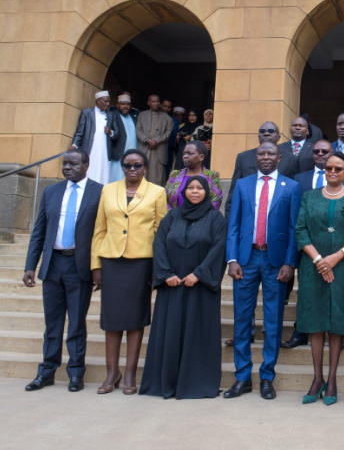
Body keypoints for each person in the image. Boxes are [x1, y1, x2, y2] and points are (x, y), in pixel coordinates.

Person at [223, 142, 301, 399]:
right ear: (255, 157)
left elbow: (293, 228)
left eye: (270, 154)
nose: (266, 157)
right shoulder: (244, 184)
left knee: (273, 320)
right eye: (261, 153)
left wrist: (290, 262)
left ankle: (267, 376)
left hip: (275, 261)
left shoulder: (291, 186)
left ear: (279, 158)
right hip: (245, 260)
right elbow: (233, 225)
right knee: (242, 319)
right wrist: (232, 258)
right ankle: (242, 376)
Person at [22, 150, 103, 393]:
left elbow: (103, 233)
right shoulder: (51, 191)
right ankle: (46, 372)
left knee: (77, 323)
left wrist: (99, 267)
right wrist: (30, 266)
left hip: (80, 266)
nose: (67, 167)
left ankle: (76, 374)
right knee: (52, 323)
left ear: (86, 165)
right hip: (53, 264)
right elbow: (39, 231)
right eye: (64, 163)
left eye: (73, 163)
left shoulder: (99, 192)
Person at [140, 176, 227, 399]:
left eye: (199, 188)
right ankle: (164, 382)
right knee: (170, 333)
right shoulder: (172, 216)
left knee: (197, 334)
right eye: (190, 188)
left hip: (201, 289)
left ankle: (195, 384)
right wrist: (166, 273)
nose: (195, 192)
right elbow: (159, 243)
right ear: (183, 191)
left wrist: (198, 274)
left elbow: (219, 248)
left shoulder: (216, 219)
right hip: (172, 287)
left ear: (207, 192)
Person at [91, 149, 167, 395]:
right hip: (112, 260)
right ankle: (112, 372)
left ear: (145, 167)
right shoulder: (108, 190)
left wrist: (158, 268)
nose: (131, 169)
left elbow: (160, 232)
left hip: (141, 262)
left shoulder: (157, 192)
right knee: (111, 319)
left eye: (137, 165)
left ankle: (131, 372)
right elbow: (99, 229)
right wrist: (96, 265)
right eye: (127, 165)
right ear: (122, 167)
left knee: (135, 319)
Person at [296, 152, 344, 405]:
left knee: (337, 321)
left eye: (338, 168)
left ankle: (333, 378)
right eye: (329, 168)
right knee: (315, 321)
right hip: (312, 268)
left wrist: (336, 258)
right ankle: (317, 379)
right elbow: (301, 230)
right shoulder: (309, 196)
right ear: (324, 171)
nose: (333, 171)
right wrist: (319, 261)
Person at [282, 140, 335, 349]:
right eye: (317, 151)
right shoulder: (299, 179)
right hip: (306, 246)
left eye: (325, 151)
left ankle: (333, 332)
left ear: (332, 153)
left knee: (333, 291)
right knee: (306, 292)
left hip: (334, 246)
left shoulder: (340, 177)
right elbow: (294, 213)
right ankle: (301, 332)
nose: (321, 154)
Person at [225, 121, 298, 220]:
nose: (266, 133)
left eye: (271, 131)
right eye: (262, 131)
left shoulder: (291, 159)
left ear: (278, 137)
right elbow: (232, 196)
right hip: (247, 221)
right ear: (258, 136)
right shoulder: (243, 157)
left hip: (279, 221)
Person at [72, 90, 118, 185]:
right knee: (89, 169)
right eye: (105, 101)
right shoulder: (87, 113)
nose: (108, 104)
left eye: (108, 101)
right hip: (90, 148)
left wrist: (111, 132)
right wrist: (74, 144)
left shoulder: (111, 115)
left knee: (103, 173)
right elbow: (79, 132)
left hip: (104, 151)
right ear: (98, 101)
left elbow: (118, 134)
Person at [165, 141, 223, 211]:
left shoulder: (212, 176)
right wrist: (174, 217)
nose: (185, 156)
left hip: (203, 220)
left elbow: (215, 203)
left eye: (190, 153)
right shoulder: (174, 175)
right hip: (175, 219)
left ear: (201, 157)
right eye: (184, 153)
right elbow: (165, 200)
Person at [136, 95, 175, 186]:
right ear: (148, 103)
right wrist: (147, 140)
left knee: (157, 176)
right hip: (145, 148)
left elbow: (168, 133)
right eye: (153, 102)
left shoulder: (167, 118)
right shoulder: (142, 115)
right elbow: (138, 130)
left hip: (159, 150)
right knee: (141, 173)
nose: (156, 104)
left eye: (157, 101)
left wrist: (155, 140)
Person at [108, 94, 138, 183]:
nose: (125, 106)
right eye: (122, 104)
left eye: (128, 104)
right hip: (118, 154)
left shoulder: (134, 117)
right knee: (115, 178)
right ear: (117, 105)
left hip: (132, 154)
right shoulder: (112, 115)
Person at [162, 101, 180, 178]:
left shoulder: (174, 121)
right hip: (151, 150)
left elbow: (172, 138)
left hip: (167, 151)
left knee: (165, 176)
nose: (167, 109)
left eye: (169, 107)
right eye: (165, 106)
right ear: (160, 105)